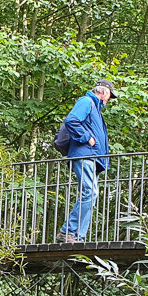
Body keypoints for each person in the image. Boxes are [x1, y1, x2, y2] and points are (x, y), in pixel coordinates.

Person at [58, 78, 116, 243]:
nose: (108, 100)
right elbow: (71, 120)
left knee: (91, 194)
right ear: (104, 91)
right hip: (85, 155)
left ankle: (77, 235)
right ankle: (68, 232)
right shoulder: (87, 101)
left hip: (91, 157)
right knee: (90, 193)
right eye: (109, 96)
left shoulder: (95, 108)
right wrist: (87, 137)